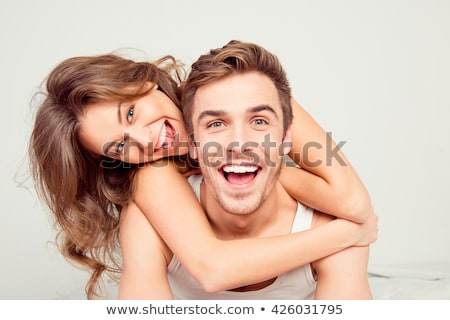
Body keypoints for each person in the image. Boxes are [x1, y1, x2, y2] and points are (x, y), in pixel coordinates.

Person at [29, 44, 376, 299]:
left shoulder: (247, 87)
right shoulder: (152, 174)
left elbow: (355, 202)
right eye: (120, 146)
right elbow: (214, 269)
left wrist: (256, 162)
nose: (145, 140)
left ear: (144, 80)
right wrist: (344, 235)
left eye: (131, 114)